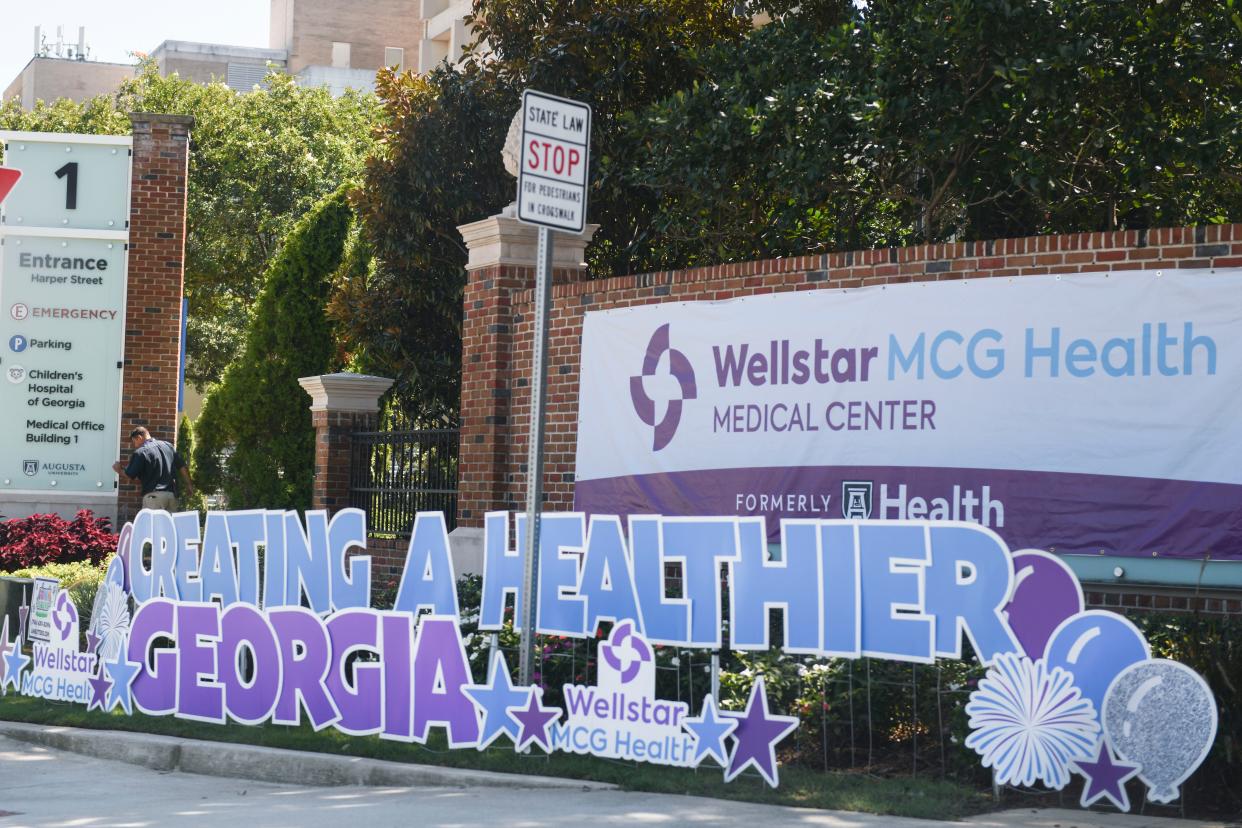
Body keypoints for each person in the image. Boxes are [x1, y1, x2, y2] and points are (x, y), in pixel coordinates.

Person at [112, 426, 194, 512]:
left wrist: (119, 470)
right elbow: (182, 467)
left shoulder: (141, 452)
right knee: (169, 525)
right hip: (172, 496)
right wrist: (189, 485)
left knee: (151, 524)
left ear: (139, 438)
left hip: (154, 497)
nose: (135, 446)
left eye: (134, 442)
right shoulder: (168, 446)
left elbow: (129, 475)